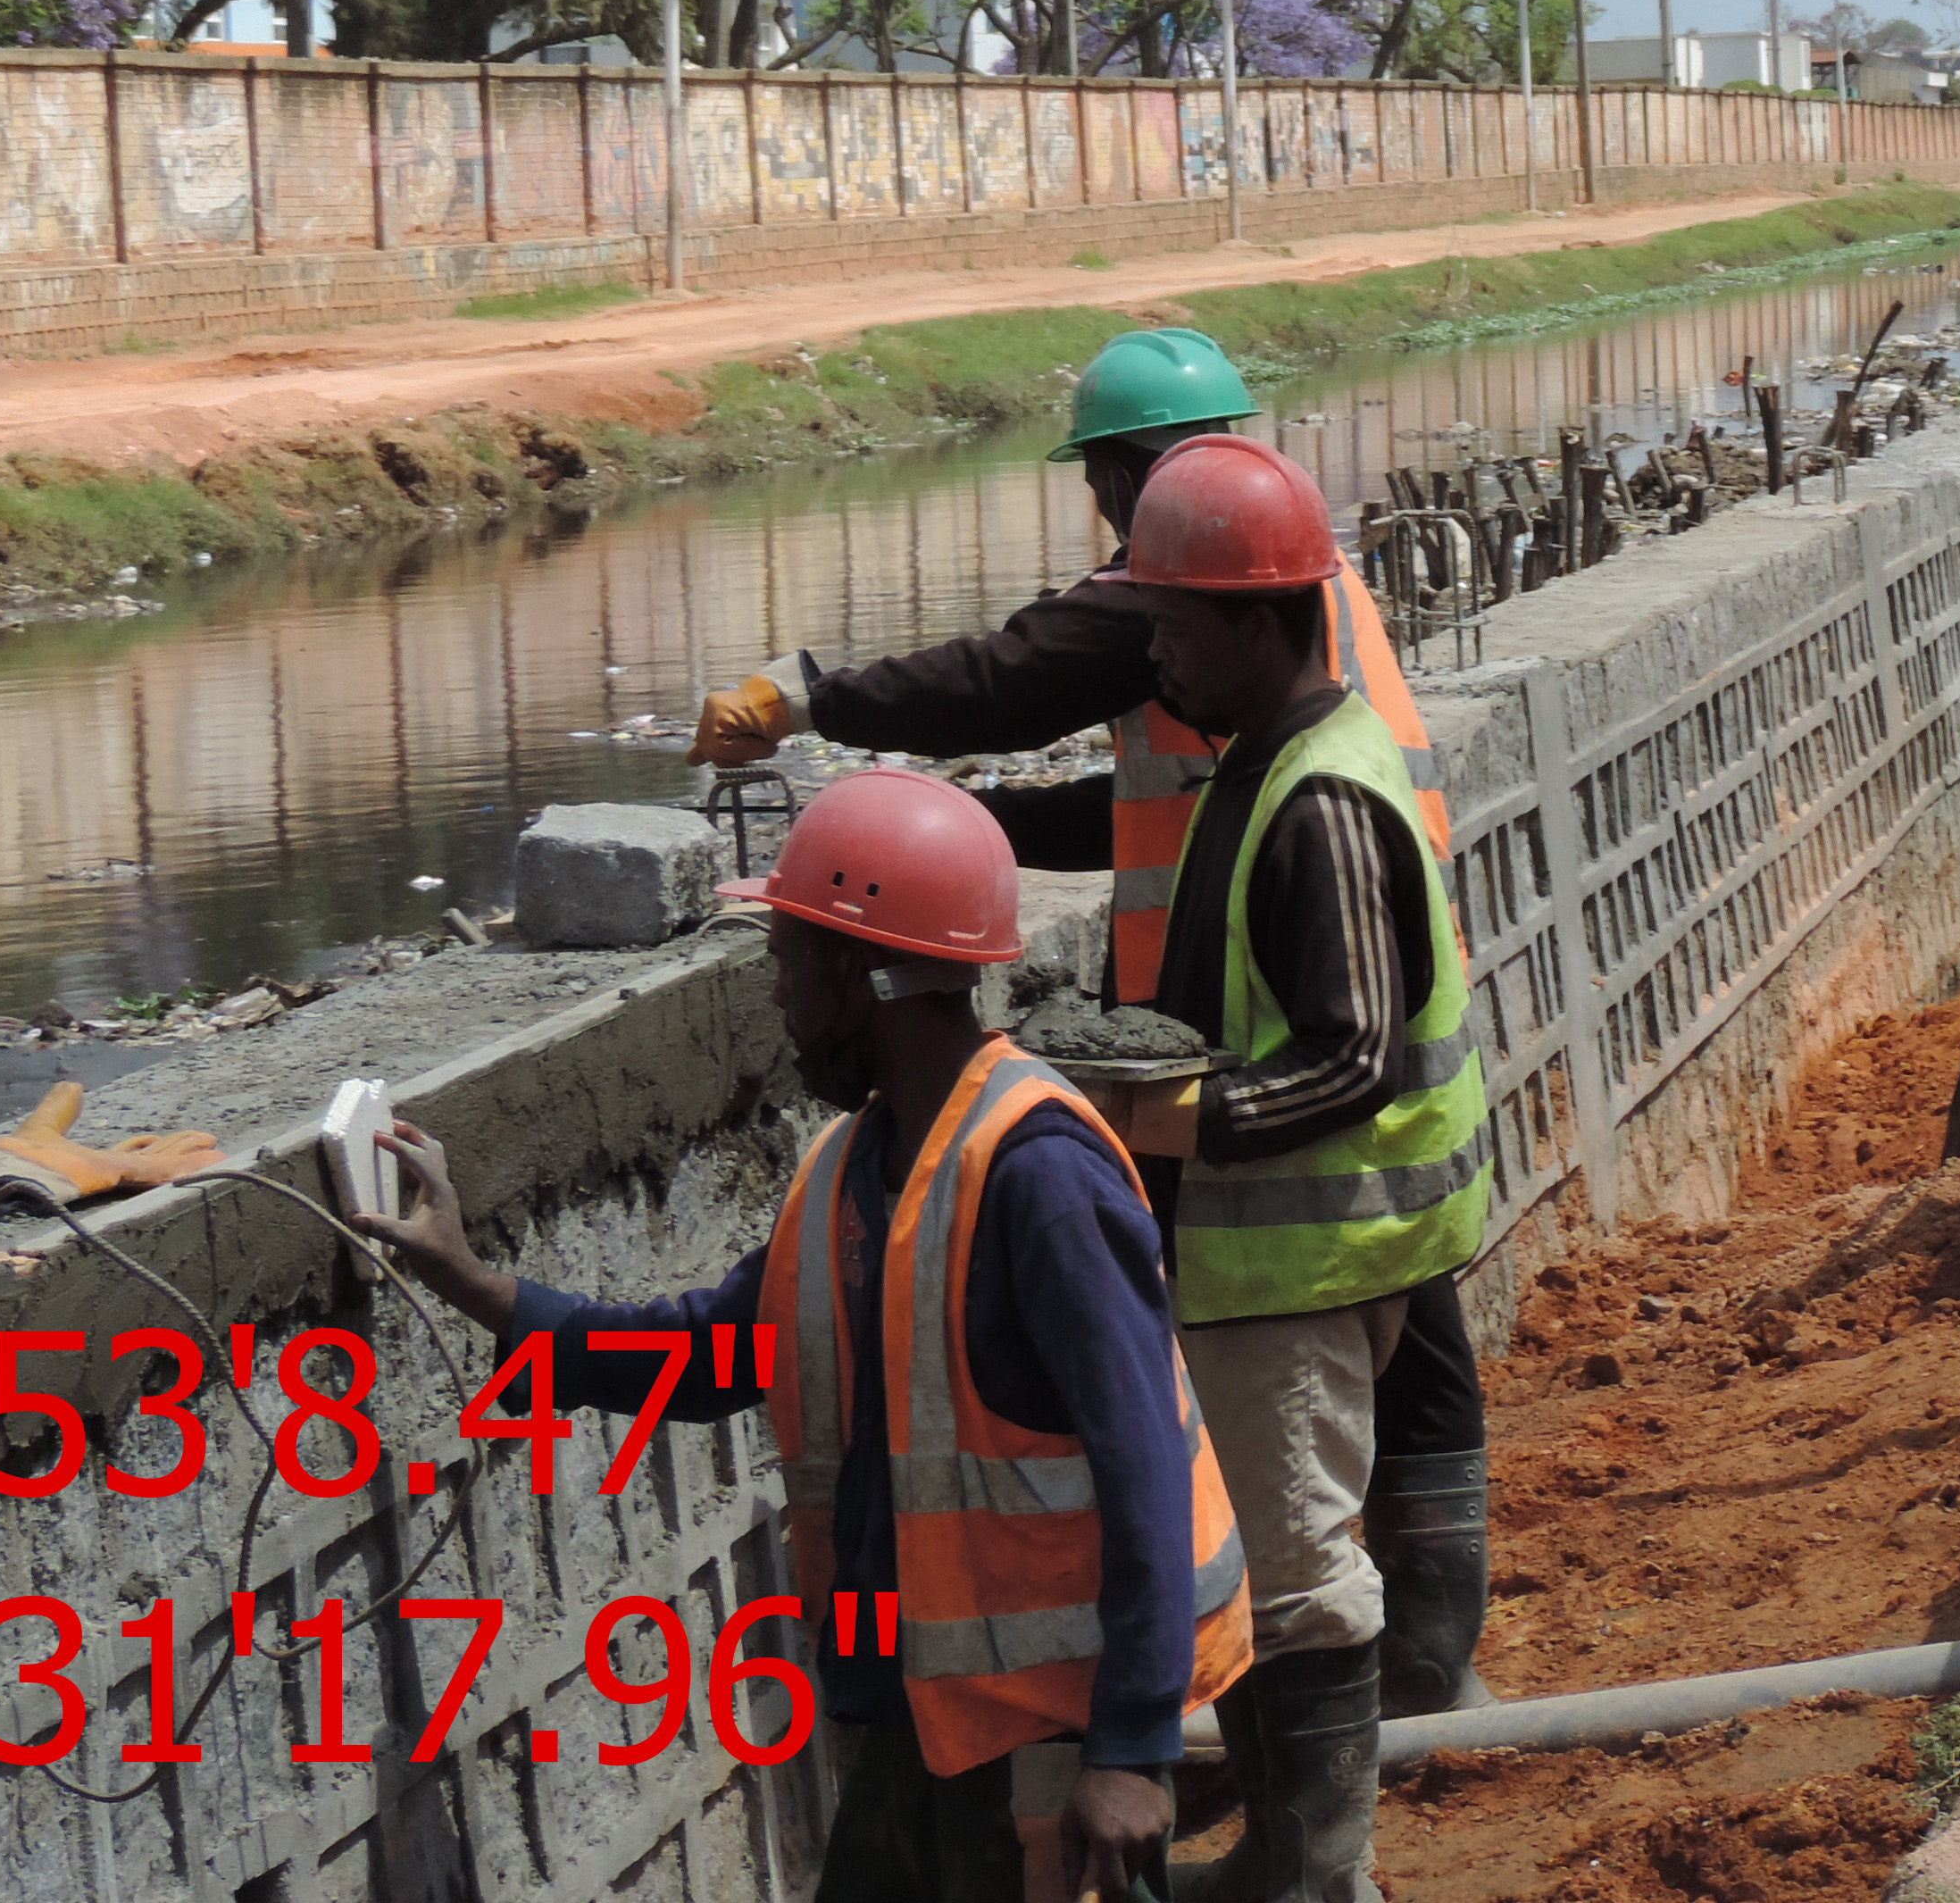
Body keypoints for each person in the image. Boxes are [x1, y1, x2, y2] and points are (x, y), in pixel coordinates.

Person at [685, 327, 1495, 1723]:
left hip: (1296, 1145)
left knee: (1288, 1528)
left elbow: (1014, 675)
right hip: (1382, 1126)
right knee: (1410, 1405)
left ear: (1133, 480)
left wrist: (815, 696)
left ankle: (1330, 1811)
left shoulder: (1219, 608)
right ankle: (1432, 1688)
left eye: (1165, 624)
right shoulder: (1293, 618)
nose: (1150, 638)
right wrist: (954, 835)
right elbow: (1129, 809)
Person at [349, 770, 1255, 1901]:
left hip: (1046, 1745)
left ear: (858, 976)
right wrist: (474, 1281)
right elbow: (709, 1355)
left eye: (786, 959)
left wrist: (1129, 1751)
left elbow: (1145, 1471)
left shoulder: (1039, 1177)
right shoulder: (852, 1172)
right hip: (920, 1727)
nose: (776, 994)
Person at [1122, 433, 1494, 1902]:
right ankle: (1286, 1846)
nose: (1153, 650)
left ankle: (1318, 1874)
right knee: (1268, 1568)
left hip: (1301, 1263)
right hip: (1273, 1260)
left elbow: (1344, 1057)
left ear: (1262, 624)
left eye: (1173, 623)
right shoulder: (1264, 760)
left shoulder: (1320, 803)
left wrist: (1166, 1114)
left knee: (1293, 1582)